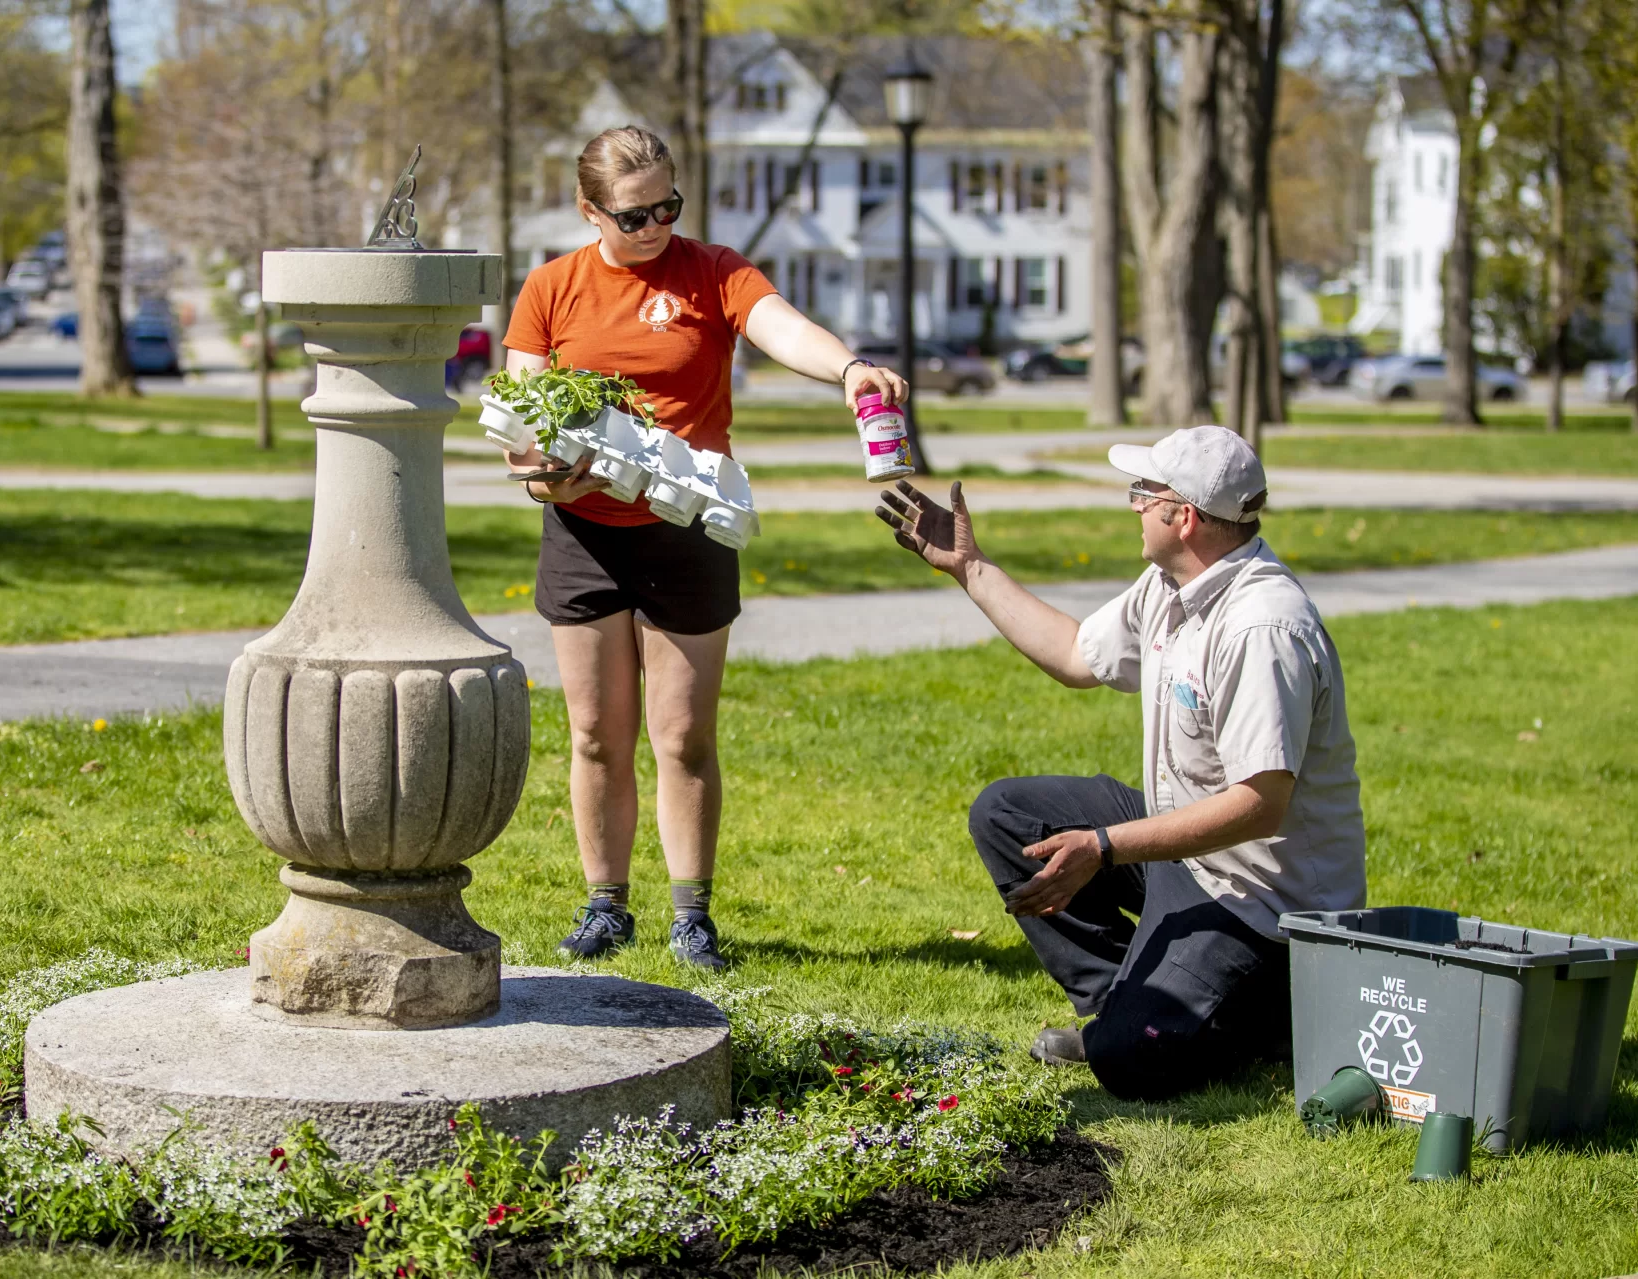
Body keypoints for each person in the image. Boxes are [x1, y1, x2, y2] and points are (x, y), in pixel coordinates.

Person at [501, 125, 909, 971]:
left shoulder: (713, 271)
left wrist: (847, 370)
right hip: (584, 536)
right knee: (595, 735)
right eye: (632, 214)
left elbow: (779, 325)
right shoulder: (550, 287)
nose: (653, 226)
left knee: (682, 737)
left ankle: (692, 913)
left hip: (688, 529)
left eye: (667, 206)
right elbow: (521, 416)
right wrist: (543, 477)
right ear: (589, 212)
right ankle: (605, 906)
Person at [875, 426, 1365, 1099]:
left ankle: (1256, 1012)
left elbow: (1261, 804)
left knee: (1130, 1064)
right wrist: (969, 566)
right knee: (1008, 815)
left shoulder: (1261, 626)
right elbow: (1079, 655)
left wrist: (1103, 846)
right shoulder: (1168, 585)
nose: (1132, 504)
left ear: (1183, 516)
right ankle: (1122, 1005)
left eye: (1144, 492)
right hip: (1188, 853)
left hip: (1262, 903)